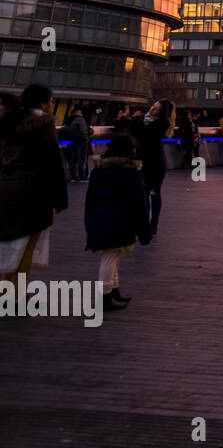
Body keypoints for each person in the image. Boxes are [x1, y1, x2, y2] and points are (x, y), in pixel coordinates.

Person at [0, 84, 67, 286]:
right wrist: (60, 199)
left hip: (5, 189)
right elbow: (53, 163)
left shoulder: (7, 122)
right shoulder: (44, 124)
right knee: (26, 248)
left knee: (10, 245)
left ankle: (5, 291)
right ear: (43, 103)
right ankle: (16, 296)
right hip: (33, 192)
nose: (52, 104)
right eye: (51, 100)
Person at [84, 133, 151, 311]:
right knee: (111, 257)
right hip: (119, 219)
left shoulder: (99, 169)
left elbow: (89, 197)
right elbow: (139, 203)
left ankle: (114, 291)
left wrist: (87, 222)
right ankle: (104, 296)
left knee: (113, 255)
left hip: (98, 216)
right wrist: (145, 231)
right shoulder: (130, 172)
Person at [128, 99, 174, 237]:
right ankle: (144, 223)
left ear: (162, 112)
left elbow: (146, 134)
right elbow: (129, 133)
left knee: (154, 192)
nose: (151, 109)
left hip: (156, 163)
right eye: (153, 106)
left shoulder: (163, 123)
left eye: (156, 108)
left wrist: (165, 106)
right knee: (143, 193)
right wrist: (132, 120)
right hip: (141, 161)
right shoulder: (139, 119)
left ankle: (153, 223)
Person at [64, 107, 90, 182]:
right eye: (80, 112)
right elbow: (83, 131)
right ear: (77, 113)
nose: (82, 114)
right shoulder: (80, 120)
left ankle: (73, 177)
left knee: (73, 161)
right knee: (82, 160)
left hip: (73, 142)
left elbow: (67, 131)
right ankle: (82, 177)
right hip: (81, 142)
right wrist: (86, 139)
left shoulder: (69, 121)